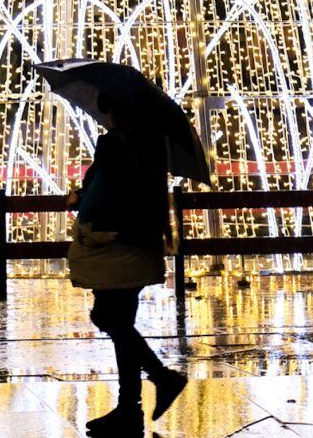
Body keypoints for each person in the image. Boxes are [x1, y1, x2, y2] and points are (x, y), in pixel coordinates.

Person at [67, 90, 187, 436]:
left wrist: (80, 197)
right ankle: (128, 407)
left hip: (113, 245)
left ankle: (162, 378)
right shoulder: (151, 146)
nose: (107, 117)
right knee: (122, 325)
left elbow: (102, 192)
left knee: (107, 318)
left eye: (110, 110)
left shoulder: (114, 145)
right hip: (139, 243)